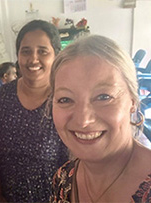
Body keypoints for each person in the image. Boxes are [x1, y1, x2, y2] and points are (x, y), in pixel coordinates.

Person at [49, 35, 151, 202]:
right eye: (65, 99)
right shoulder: (63, 179)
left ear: (132, 101)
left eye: (103, 97)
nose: (83, 120)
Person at [0, 20, 68, 202]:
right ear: (17, 55)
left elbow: (74, 163)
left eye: (42, 51)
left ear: (56, 55)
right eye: (26, 51)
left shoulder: (64, 101)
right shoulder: (0, 98)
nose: (33, 59)